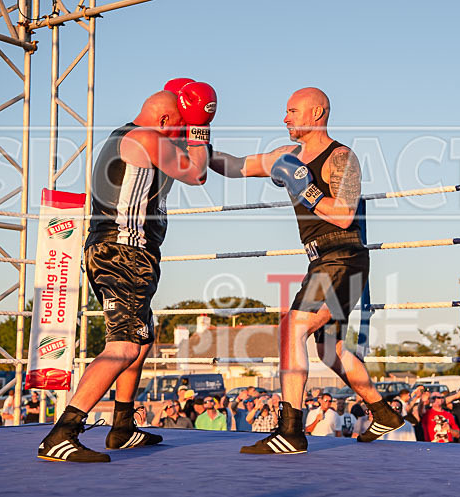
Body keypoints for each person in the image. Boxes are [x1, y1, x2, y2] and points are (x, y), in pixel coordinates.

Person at [211, 88, 403, 454]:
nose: (285, 118)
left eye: (292, 111)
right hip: (321, 258)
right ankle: (383, 412)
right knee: (329, 350)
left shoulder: (342, 156)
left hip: (344, 254)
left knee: (291, 328)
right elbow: (235, 166)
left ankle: (291, 431)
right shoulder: (286, 155)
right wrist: (197, 142)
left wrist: (306, 188)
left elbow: (345, 213)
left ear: (317, 114)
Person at [37, 85, 213, 463]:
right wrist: (200, 126)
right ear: (165, 120)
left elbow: (212, 163)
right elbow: (197, 174)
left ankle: (122, 426)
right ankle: (62, 433)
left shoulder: (131, 135)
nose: (182, 134)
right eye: (179, 126)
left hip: (120, 252)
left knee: (143, 337)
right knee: (124, 346)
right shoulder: (147, 137)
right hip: (123, 253)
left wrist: (265, 161)